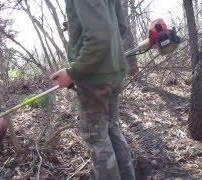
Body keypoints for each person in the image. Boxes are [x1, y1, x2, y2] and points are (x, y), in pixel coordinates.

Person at [51, 0, 135, 179]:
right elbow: (120, 27)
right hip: (114, 72)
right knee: (112, 130)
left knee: (97, 139)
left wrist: (73, 72)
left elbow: (100, 35)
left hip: (95, 78)